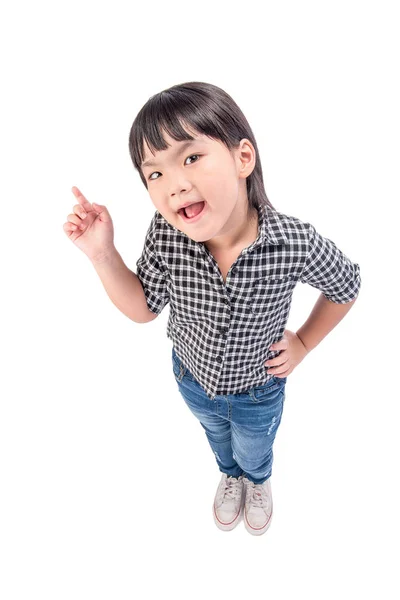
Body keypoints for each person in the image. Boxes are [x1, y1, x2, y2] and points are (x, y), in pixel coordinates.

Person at [63, 81, 361, 537]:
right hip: (192, 379)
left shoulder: (292, 240)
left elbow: (346, 284)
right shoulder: (166, 236)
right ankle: (229, 474)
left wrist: (302, 342)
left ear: (243, 158)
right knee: (217, 439)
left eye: (190, 157)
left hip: (259, 388)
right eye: (154, 174)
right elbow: (144, 307)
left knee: (255, 445)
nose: (174, 185)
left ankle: (257, 479)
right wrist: (103, 254)